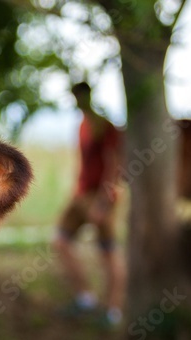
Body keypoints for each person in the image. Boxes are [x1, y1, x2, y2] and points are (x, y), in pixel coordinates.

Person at [54, 81, 125, 327]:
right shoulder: (83, 125)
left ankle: (113, 311)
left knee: (108, 251)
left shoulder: (104, 126)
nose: (78, 101)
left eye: (80, 96)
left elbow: (113, 164)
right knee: (60, 241)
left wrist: (104, 203)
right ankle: (86, 298)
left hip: (100, 197)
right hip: (81, 195)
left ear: (87, 96)